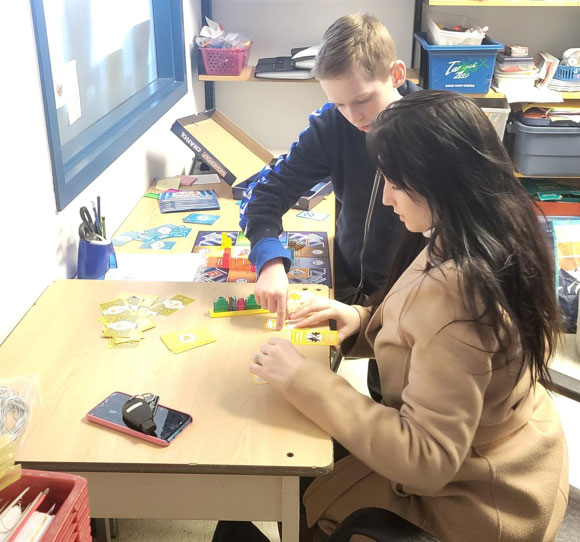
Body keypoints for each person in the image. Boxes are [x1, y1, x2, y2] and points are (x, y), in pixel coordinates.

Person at [249, 91, 569, 542]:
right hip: (517, 453)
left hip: (473, 499)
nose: (385, 197)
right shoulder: (492, 226)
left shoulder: (459, 297)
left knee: (291, 466)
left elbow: (426, 460)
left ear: (440, 182)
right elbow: (431, 336)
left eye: (396, 182)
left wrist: (306, 380)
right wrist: (360, 320)